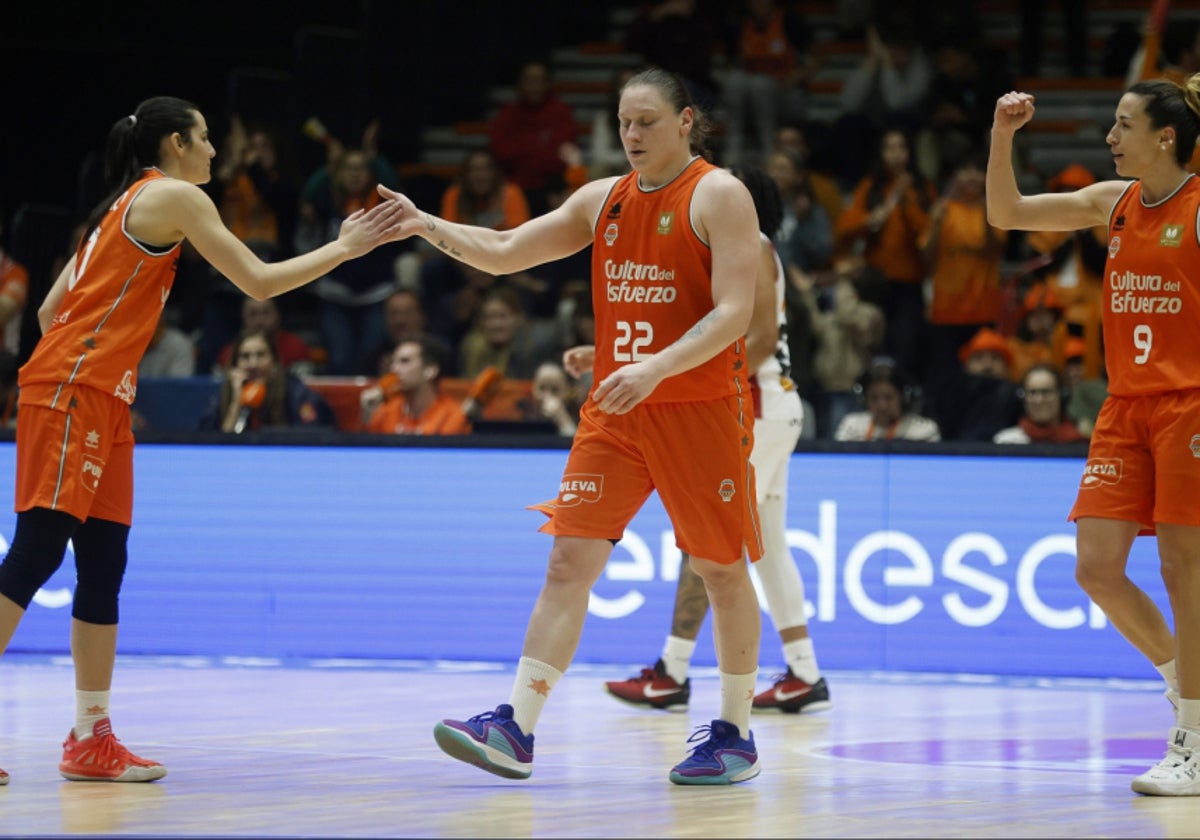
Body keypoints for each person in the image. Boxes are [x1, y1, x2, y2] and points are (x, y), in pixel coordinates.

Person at [0, 96, 403, 785]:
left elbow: (45, 311)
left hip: (98, 394)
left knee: (104, 563)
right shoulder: (173, 197)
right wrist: (346, 246)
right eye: (208, 139)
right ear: (179, 144)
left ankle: (90, 736)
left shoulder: (114, 206)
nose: (216, 151)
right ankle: (86, 734)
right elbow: (258, 281)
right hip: (75, 390)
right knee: (38, 549)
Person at [380, 67, 765, 785]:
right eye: (623, 122)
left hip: (698, 408)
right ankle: (516, 727)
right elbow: (502, 252)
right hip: (615, 411)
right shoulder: (601, 200)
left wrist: (655, 366)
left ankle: (735, 733)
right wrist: (423, 223)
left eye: (648, 120)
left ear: (687, 122)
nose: (632, 135)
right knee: (567, 563)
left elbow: (733, 313)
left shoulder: (719, 194)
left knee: (719, 568)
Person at [988, 81, 1200, 795]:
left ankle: (1195, 743)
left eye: (1124, 124)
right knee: (1096, 567)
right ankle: (1185, 686)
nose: (1111, 136)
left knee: (1183, 569)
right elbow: (1005, 212)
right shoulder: (1113, 203)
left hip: (1189, 406)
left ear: (1165, 137)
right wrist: (1002, 134)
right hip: (1124, 408)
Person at [604, 164, 830, 714]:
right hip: (772, 407)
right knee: (767, 543)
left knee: (707, 540)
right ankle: (804, 673)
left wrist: (673, 378)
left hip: (759, 405)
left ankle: (672, 670)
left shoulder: (750, 244)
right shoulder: (739, 248)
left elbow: (755, 342)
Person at [200, 328, 335, 433]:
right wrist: (236, 404)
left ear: (275, 362)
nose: (253, 364)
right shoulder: (223, 397)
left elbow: (310, 439)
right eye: (245, 357)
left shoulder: (299, 395)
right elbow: (210, 449)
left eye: (261, 355)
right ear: (235, 365)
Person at [359, 334, 471, 436]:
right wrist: (367, 417)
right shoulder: (385, 413)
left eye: (405, 361)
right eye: (393, 362)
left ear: (430, 371)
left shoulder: (451, 416)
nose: (394, 369)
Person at [834, 357, 940, 442]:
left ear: (904, 398)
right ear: (864, 399)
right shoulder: (851, 426)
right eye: (874, 398)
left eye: (889, 398)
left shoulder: (925, 431)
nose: (882, 406)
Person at [214, 295, 316, 374]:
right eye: (253, 314)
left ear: (278, 315)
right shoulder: (229, 354)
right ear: (242, 317)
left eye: (266, 312)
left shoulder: (295, 347)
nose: (259, 320)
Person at [992, 362, 1085, 445]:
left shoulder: (1081, 443)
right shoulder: (1007, 442)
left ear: (1062, 395)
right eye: (1032, 392)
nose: (1039, 400)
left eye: (1046, 392)